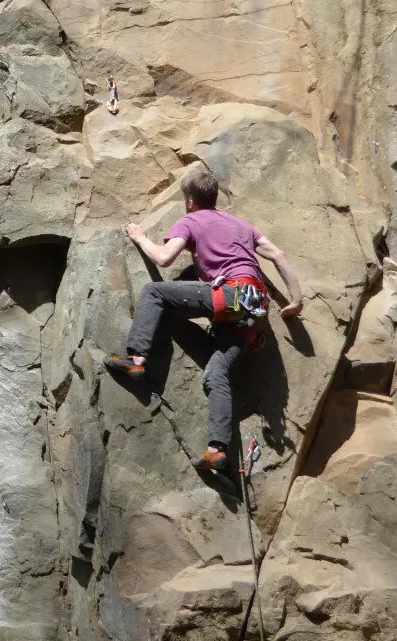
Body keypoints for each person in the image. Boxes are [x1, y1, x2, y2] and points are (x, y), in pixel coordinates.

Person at [105, 166, 304, 475]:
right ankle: (217, 452)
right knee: (217, 373)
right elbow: (278, 255)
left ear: (189, 201)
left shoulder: (192, 220)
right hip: (254, 309)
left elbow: (163, 258)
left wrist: (140, 237)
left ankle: (136, 359)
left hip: (232, 295)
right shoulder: (241, 225)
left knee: (154, 293)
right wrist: (296, 300)